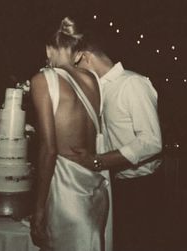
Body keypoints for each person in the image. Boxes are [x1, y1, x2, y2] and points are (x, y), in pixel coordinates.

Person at [68, 28, 163, 251]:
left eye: (76, 66)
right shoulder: (101, 90)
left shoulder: (132, 83)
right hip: (117, 183)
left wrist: (98, 161)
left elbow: (151, 141)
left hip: (142, 189)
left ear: (86, 57)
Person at [29, 17, 112, 251]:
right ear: (78, 54)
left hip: (66, 193)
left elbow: (49, 149)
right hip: (94, 189)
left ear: (48, 48)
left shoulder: (43, 80)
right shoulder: (92, 79)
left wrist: (38, 209)